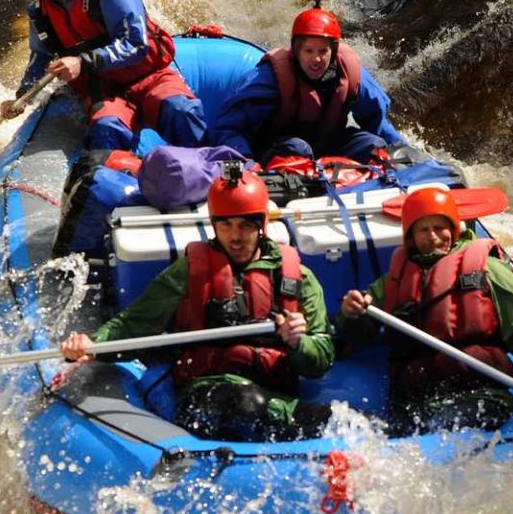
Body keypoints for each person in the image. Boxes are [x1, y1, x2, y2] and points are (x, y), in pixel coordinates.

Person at [60, 169, 335, 441]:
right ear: (214, 225)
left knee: (332, 420)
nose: (235, 237)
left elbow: (321, 358)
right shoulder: (189, 271)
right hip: (206, 391)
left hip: (274, 393)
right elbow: (135, 324)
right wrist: (94, 344)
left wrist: (298, 343)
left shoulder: (297, 278)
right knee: (247, 403)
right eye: (226, 225)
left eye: (245, 225)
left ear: (261, 224)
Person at [336, 186, 513, 434]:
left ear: (453, 229)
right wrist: (351, 314)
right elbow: (358, 335)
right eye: (423, 230)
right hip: (414, 400)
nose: (433, 237)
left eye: (439, 228)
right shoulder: (393, 280)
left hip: (479, 393)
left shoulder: (487, 268)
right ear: (411, 237)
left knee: (440, 427)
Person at [0, 0, 207, 152]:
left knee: (181, 112)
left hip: (148, 75)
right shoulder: (40, 6)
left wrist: (82, 62)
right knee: (106, 130)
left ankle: (213, 164)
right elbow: (40, 55)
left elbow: (136, 44)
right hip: (102, 87)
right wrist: (22, 97)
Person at [213, 5, 406, 167]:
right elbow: (230, 126)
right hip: (280, 149)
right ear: (297, 51)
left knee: (374, 145)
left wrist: (403, 151)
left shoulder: (349, 72)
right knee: (298, 148)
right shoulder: (271, 77)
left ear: (333, 51)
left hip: (328, 145)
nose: (316, 59)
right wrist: (245, 163)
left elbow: (377, 121)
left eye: (323, 51)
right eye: (309, 51)